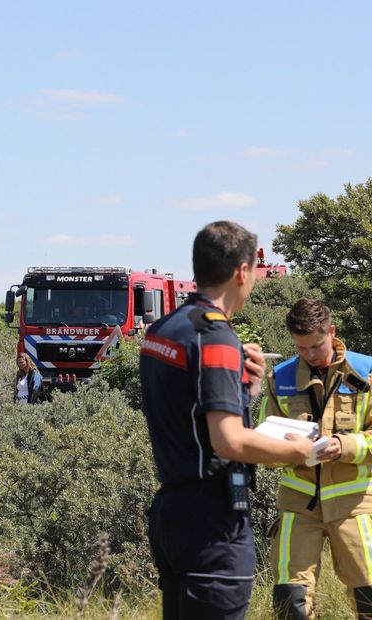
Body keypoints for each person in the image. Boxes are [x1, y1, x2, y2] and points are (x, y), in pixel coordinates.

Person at [139, 221, 314, 620]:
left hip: (171, 511)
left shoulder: (164, 329)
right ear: (241, 272)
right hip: (212, 523)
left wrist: (243, 390)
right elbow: (228, 441)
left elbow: (187, 411)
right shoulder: (216, 336)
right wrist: (300, 450)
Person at [260, 299, 372, 618]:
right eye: (301, 348)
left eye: (316, 346)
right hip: (298, 503)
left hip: (354, 503)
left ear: (332, 332)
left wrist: (344, 445)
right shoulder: (279, 379)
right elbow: (261, 440)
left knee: (369, 596)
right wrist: (284, 449)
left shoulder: (366, 372)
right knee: (289, 601)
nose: (309, 355)